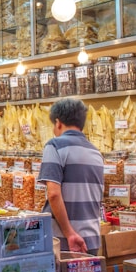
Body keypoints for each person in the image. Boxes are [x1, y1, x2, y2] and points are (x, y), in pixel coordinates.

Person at [37, 98, 104, 255]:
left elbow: (53, 194)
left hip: (65, 241)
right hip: (91, 239)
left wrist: (70, 233)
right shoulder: (96, 152)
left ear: (58, 123)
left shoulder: (55, 146)